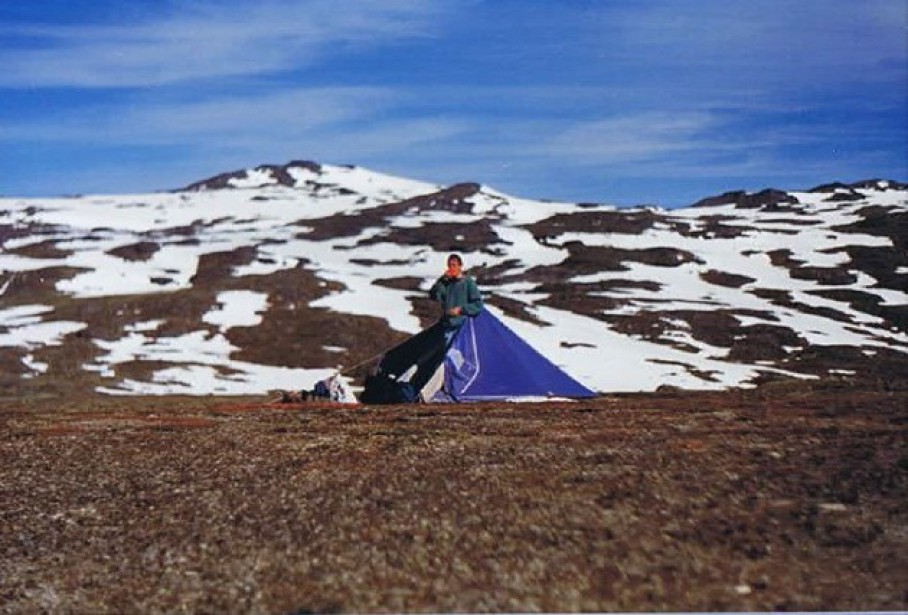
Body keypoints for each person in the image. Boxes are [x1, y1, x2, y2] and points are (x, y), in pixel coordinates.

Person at [429, 253, 483, 342]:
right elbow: (434, 295)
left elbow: (478, 305)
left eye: (454, 265)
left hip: (462, 327)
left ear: (460, 266)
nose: (451, 268)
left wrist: (460, 310)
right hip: (447, 325)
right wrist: (441, 281)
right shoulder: (446, 283)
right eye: (449, 265)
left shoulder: (468, 282)